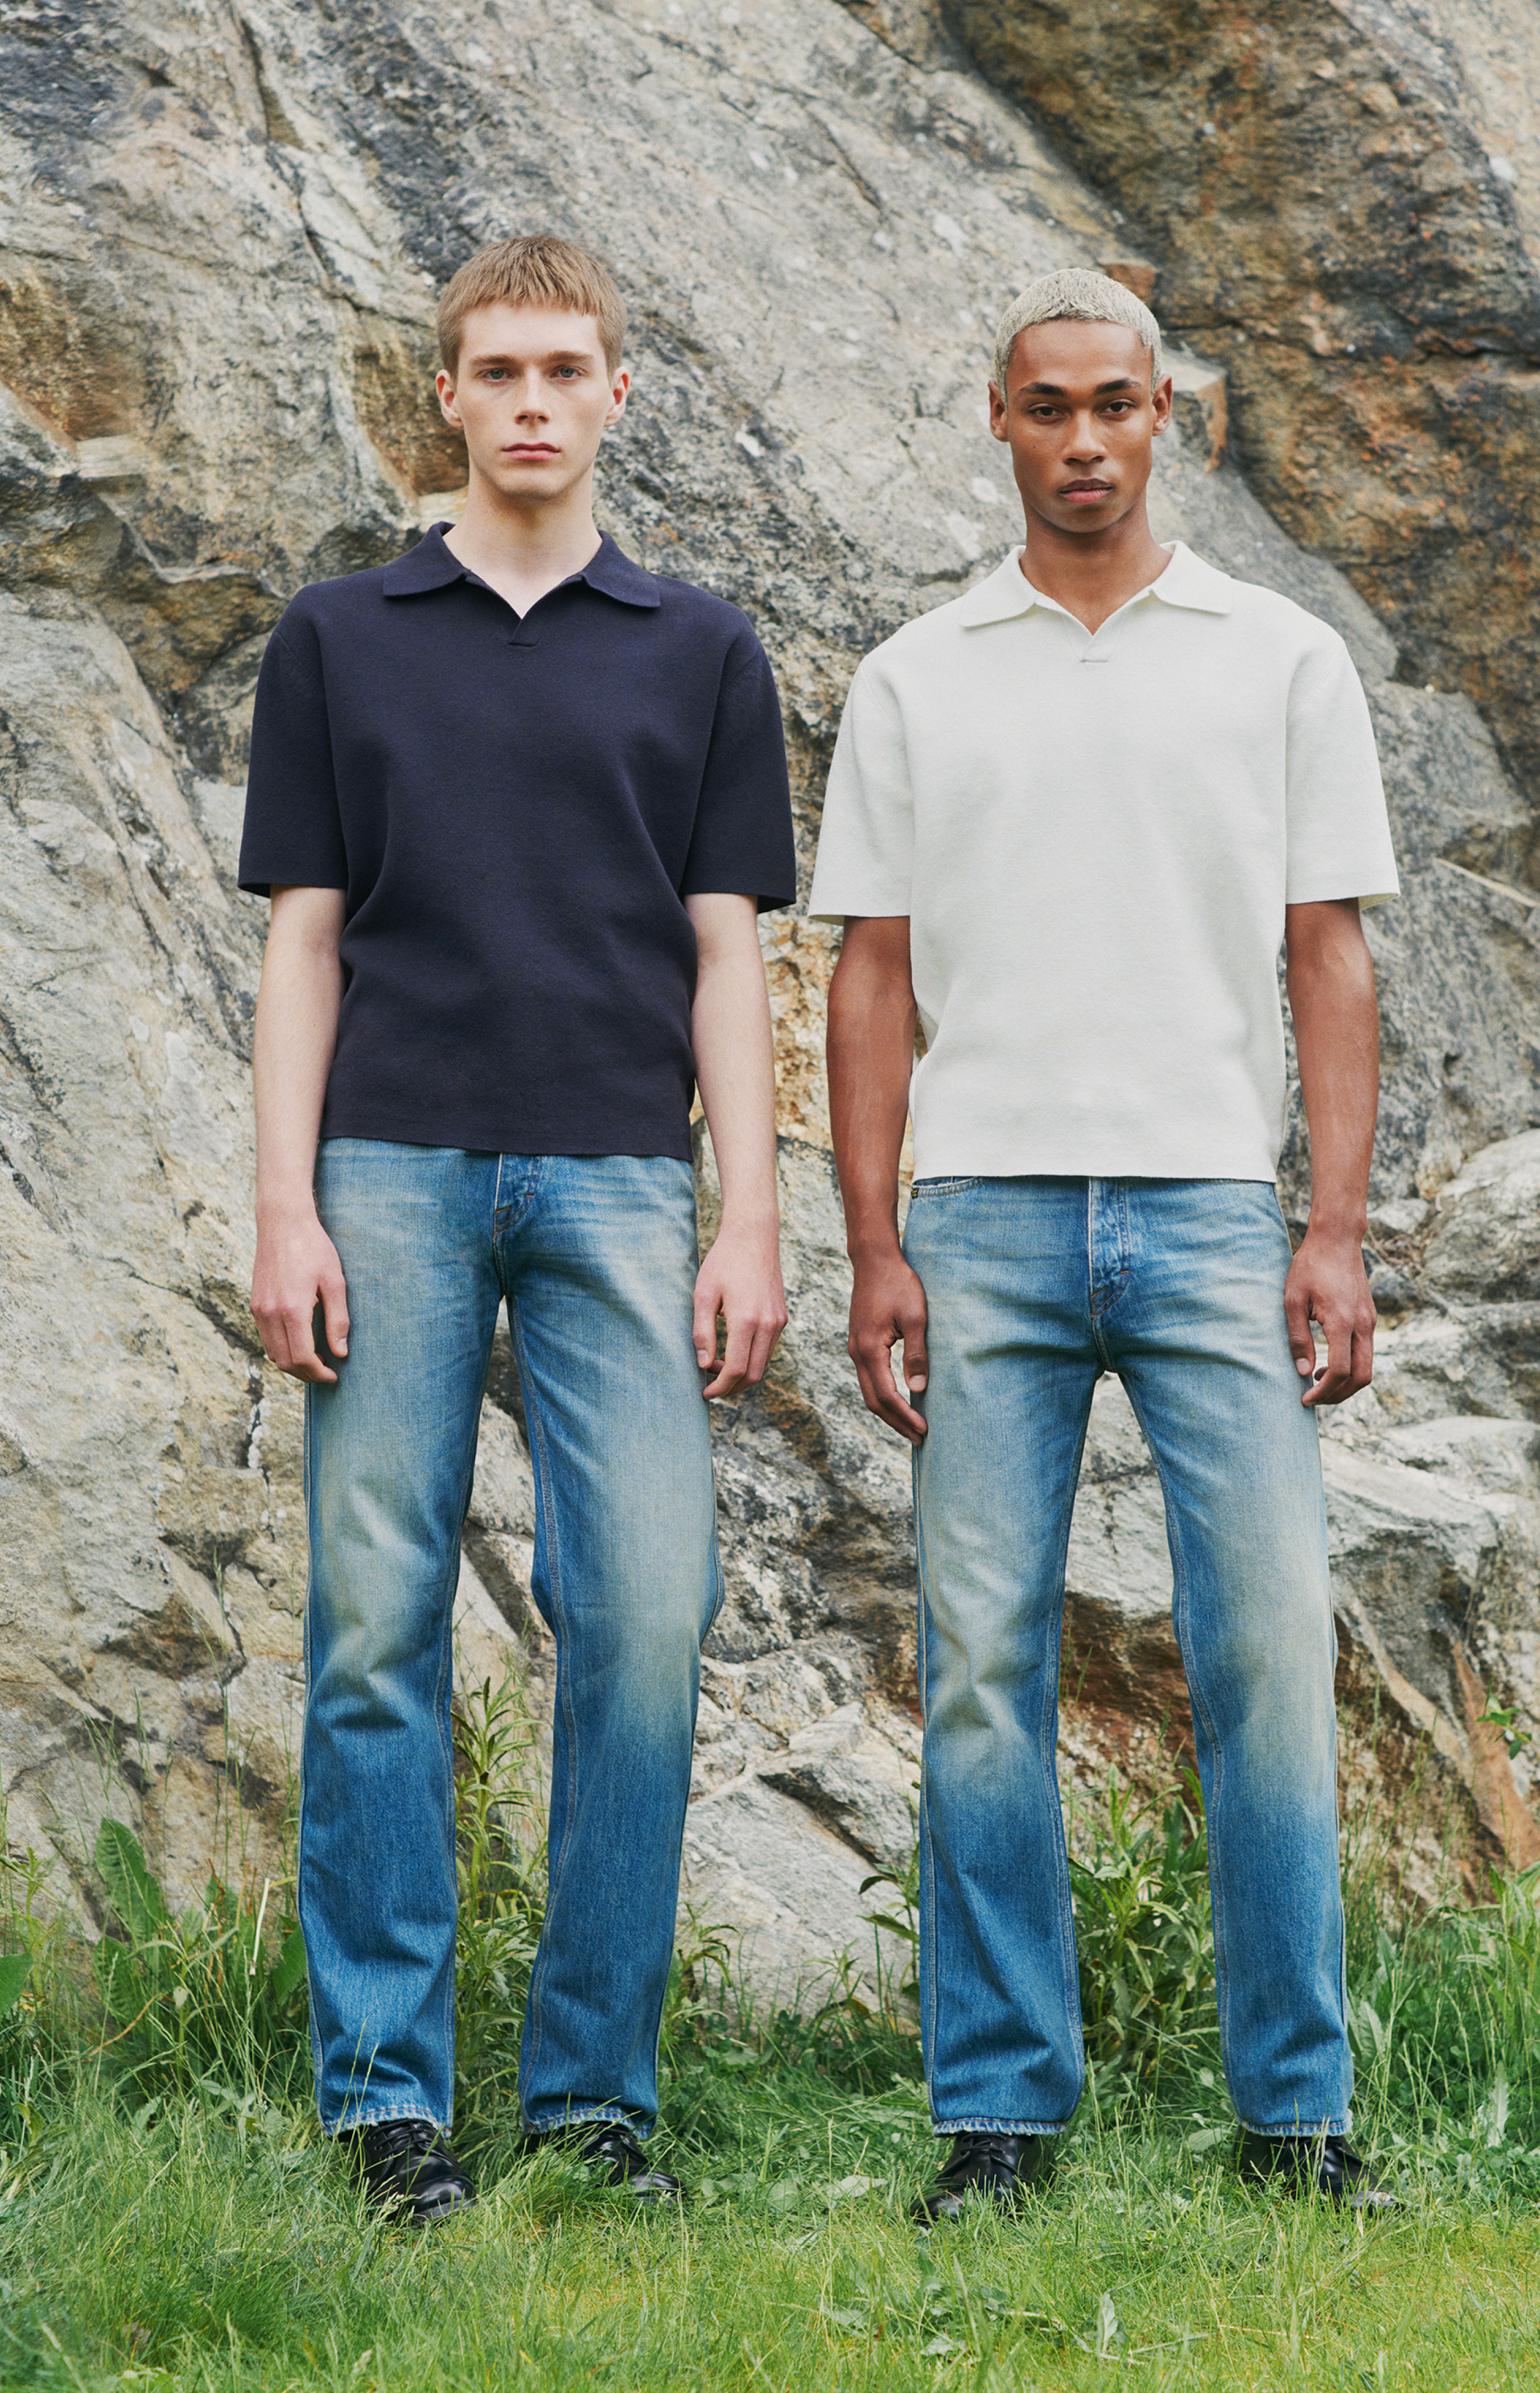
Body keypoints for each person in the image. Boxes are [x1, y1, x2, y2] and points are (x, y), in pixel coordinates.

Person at [813, 267, 1399, 2222]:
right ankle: (997, 2115)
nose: (1081, 440)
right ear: (998, 421)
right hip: (977, 1218)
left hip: (1214, 1212)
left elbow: (1330, 955)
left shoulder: (1278, 659)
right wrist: (873, 1246)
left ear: (1170, 421)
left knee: (1262, 1658)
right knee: (980, 1668)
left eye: (1115, 406)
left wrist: (1330, 1227)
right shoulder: (917, 673)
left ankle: (1296, 2119)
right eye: (1046, 407)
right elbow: (868, 976)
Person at [242, 234, 795, 2224]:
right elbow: (305, 942)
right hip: (385, 1167)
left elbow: (726, 955)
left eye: (568, 367)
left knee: (641, 1617)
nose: (534, 398)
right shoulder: (338, 636)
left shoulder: (701, 647)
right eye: (498, 370)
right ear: (449, 398)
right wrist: (282, 1200)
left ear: (618, 394)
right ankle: (390, 2102)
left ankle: (589, 2104)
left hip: (623, 1177)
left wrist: (752, 1207)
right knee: (373, 1627)